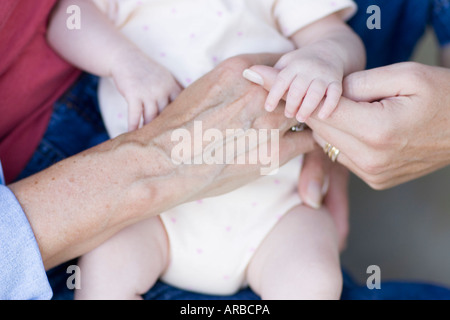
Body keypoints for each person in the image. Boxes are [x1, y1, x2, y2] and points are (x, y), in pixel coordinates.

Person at [0, 0, 348, 300]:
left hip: (276, 204)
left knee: (314, 279)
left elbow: (336, 36)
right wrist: (123, 61)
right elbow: (68, 17)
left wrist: (324, 57)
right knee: (104, 272)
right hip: (144, 208)